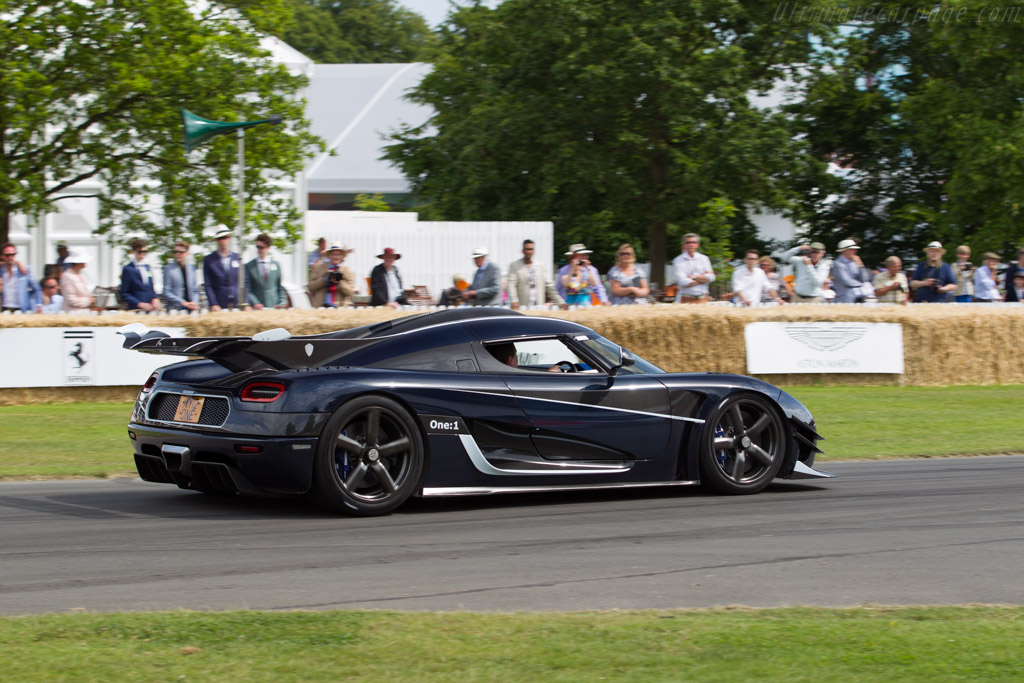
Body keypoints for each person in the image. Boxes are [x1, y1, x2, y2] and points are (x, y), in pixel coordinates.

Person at [507, 239, 565, 309]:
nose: (529, 251)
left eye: (531, 249)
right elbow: (511, 284)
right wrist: (514, 300)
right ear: (523, 251)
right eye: (527, 249)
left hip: (539, 305)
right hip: (522, 305)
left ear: (533, 251)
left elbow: (549, 285)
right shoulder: (515, 265)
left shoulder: (540, 265)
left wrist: (560, 302)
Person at [245, 233, 287, 309]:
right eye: (257, 247)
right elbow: (248, 289)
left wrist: (282, 302)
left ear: (268, 247)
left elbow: (279, 287)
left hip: (274, 306)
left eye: (261, 247)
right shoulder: (249, 266)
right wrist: (255, 302)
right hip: (258, 307)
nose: (259, 250)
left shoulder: (276, 265)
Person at [203, 226, 240, 311]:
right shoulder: (209, 260)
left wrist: (245, 302)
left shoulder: (238, 257)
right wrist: (213, 303)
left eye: (224, 237)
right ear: (216, 240)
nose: (222, 241)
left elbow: (244, 282)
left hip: (236, 303)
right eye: (219, 238)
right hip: (219, 304)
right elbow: (208, 284)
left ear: (229, 238)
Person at [671, 233, 716, 303]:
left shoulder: (704, 258)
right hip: (686, 298)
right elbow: (683, 282)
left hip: (703, 298)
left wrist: (692, 276)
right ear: (684, 245)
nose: (690, 244)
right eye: (688, 242)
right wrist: (703, 279)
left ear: (698, 245)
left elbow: (712, 277)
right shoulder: (678, 260)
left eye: (693, 242)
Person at [120, 238, 162, 312]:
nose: (142, 254)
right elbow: (124, 294)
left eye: (144, 252)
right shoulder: (128, 269)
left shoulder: (147, 267)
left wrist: (155, 298)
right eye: (140, 252)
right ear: (133, 252)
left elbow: (150, 288)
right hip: (135, 309)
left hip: (150, 309)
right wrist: (140, 304)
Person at [309, 243, 355, 307]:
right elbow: (311, 287)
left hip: (340, 308)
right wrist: (324, 279)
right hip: (321, 307)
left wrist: (339, 281)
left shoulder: (347, 271)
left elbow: (350, 292)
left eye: (339, 254)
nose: (336, 257)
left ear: (342, 256)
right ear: (329, 256)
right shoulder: (319, 268)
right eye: (333, 254)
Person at [1, 242, 41, 313]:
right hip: (4, 308)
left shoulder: (24, 270)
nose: (11, 257)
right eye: (8, 255)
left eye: (13, 254)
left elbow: (36, 288)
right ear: (2, 256)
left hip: (21, 309)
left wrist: (38, 305)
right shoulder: (1, 270)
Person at [831, 239, 873, 303]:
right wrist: (862, 285)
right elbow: (846, 281)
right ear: (844, 250)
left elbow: (865, 279)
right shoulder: (837, 264)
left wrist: (860, 265)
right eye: (852, 249)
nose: (855, 251)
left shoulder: (854, 263)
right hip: (844, 299)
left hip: (859, 298)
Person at [163, 241, 200, 312]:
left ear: (187, 253)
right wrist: (183, 303)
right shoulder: (168, 269)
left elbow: (195, 290)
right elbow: (166, 292)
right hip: (175, 310)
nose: (178, 254)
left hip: (191, 309)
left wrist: (195, 303)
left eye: (181, 252)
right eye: (176, 252)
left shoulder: (192, 268)